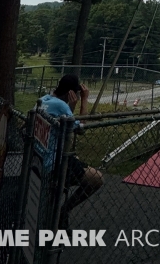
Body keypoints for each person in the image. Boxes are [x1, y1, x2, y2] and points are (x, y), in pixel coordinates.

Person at [39, 74, 102, 219]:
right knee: (96, 178)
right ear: (71, 93)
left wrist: (70, 108)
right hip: (54, 162)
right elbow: (81, 128)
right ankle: (63, 211)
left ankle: (54, 213)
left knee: (75, 160)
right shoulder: (61, 106)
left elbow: (67, 127)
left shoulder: (44, 99)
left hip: (41, 156)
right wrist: (84, 101)